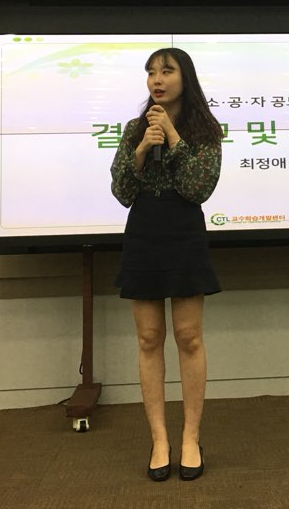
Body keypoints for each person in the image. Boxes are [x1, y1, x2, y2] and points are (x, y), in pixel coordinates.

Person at [110, 47, 223, 482]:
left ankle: (191, 437)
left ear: (184, 78)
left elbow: (199, 188)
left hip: (183, 230)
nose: (156, 79)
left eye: (166, 71)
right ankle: (159, 439)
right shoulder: (135, 128)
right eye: (151, 72)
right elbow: (122, 192)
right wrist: (141, 149)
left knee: (189, 337)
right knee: (148, 338)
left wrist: (173, 136)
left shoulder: (205, 130)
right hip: (144, 231)